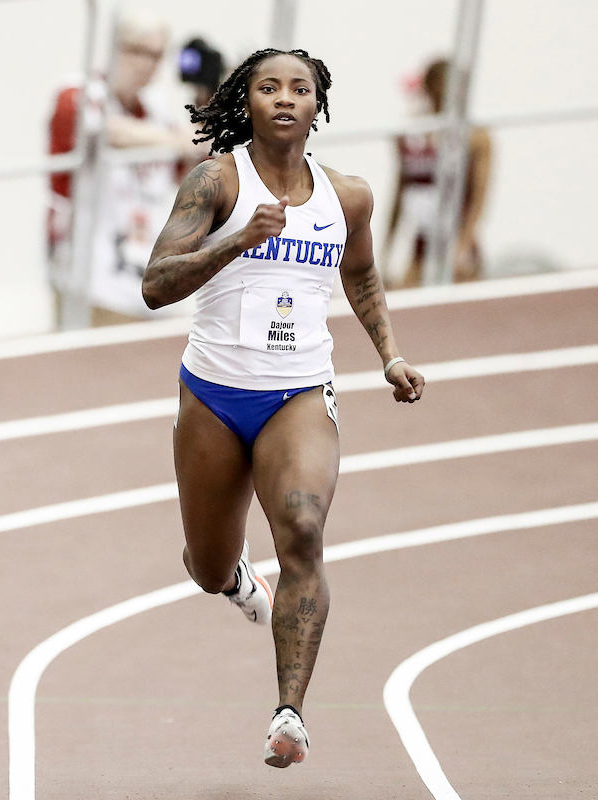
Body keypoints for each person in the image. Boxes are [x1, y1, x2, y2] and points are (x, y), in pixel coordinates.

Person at [141, 48, 425, 768]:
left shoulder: (348, 196)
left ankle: (290, 712)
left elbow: (360, 274)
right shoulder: (214, 181)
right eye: (269, 87)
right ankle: (234, 579)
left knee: (301, 526)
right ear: (249, 101)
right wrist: (238, 240)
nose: (285, 99)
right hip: (213, 392)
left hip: (298, 390)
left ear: (316, 106)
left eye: (300, 88)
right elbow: (155, 284)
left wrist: (388, 353)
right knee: (206, 565)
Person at [47, 13, 196, 326]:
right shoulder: (78, 91)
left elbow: (189, 168)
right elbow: (106, 131)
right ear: (114, 48)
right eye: (138, 51)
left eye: (157, 55)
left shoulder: (156, 109)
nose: (148, 64)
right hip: (88, 274)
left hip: (144, 274)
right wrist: (178, 140)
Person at [385, 58, 492, 286]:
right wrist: (386, 251)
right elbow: (398, 194)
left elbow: (480, 197)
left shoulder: (476, 137)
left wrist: (462, 245)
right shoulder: (411, 135)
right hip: (422, 244)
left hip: (458, 240)